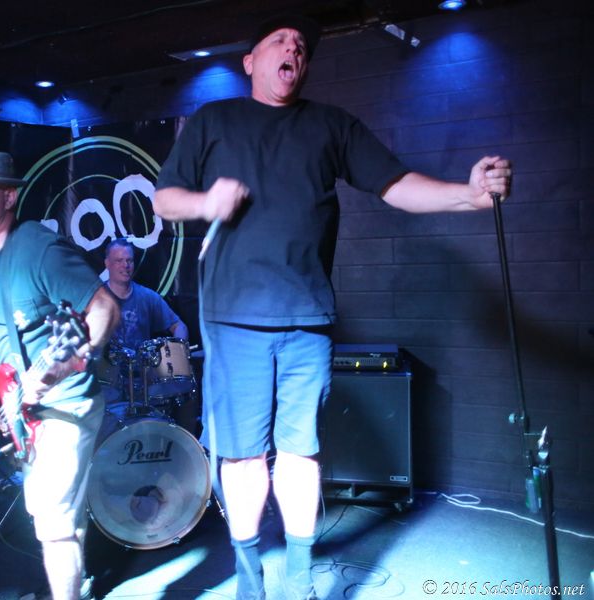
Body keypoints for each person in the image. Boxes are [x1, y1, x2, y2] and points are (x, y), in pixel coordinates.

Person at [153, 14, 512, 600]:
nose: (293, 49)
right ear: (250, 60)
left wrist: (470, 196)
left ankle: (299, 579)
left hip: (307, 318)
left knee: (301, 453)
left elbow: (395, 184)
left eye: (301, 45)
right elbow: (165, 199)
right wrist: (205, 202)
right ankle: (249, 581)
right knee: (242, 459)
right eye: (279, 40)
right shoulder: (214, 120)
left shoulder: (330, 125)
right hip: (233, 320)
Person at [0, 151, 119, 600]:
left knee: (50, 515)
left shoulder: (40, 249)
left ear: (9, 196)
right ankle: (75, 587)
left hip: (66, 402)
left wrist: (70, 360)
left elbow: (104, 308)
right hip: (19, 403)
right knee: (62, 513)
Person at [103, 237, 188, 351]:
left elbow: (179, 326)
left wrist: (176, 351)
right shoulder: (95, 297)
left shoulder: (147, 296)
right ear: (107, 263)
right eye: (119, 260)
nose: (126, 265)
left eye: (129, 260)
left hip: (140, 362)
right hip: (104, 362)